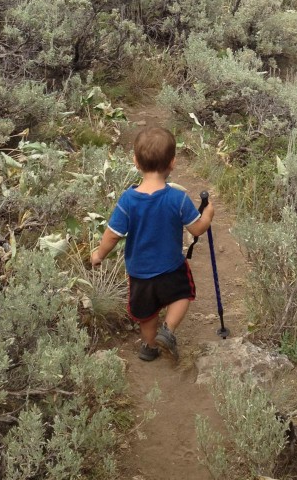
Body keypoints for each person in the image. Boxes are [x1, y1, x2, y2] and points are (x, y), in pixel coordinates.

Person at [91, 125, 215, 362]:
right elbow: (197, 229)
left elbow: (113, 235)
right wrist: (208, 213)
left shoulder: (128, 200)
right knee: (182, 295)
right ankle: (168, 330)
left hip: (139, 273)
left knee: (147, 314)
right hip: (171, 268)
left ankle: (149, 347)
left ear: (135, 161)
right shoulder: (177, 199)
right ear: (173, 163)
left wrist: (99, 254)